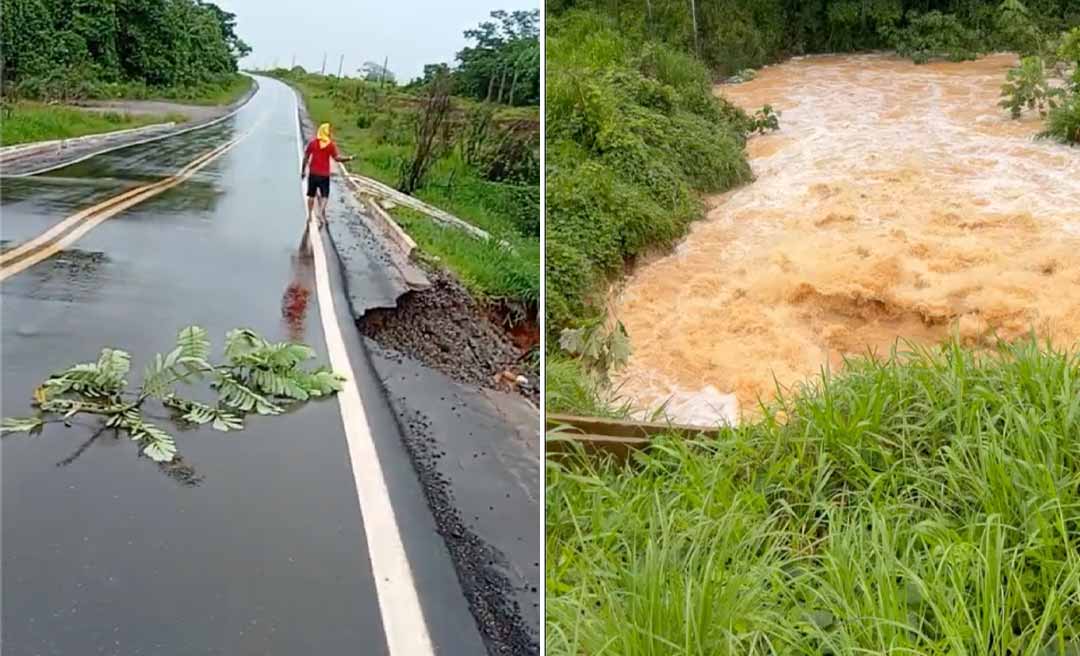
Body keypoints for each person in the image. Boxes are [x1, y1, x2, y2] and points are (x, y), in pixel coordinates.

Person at [300, 123, 353, 228]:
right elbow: (337, 158)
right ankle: (321, 210)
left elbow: (306, 157)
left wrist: (303, 171)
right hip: (324, 174)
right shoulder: (330, 145)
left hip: (313, 173)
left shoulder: (313, 143)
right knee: (325, 195)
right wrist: (349, 158)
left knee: (311, 195)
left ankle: (310, 215)